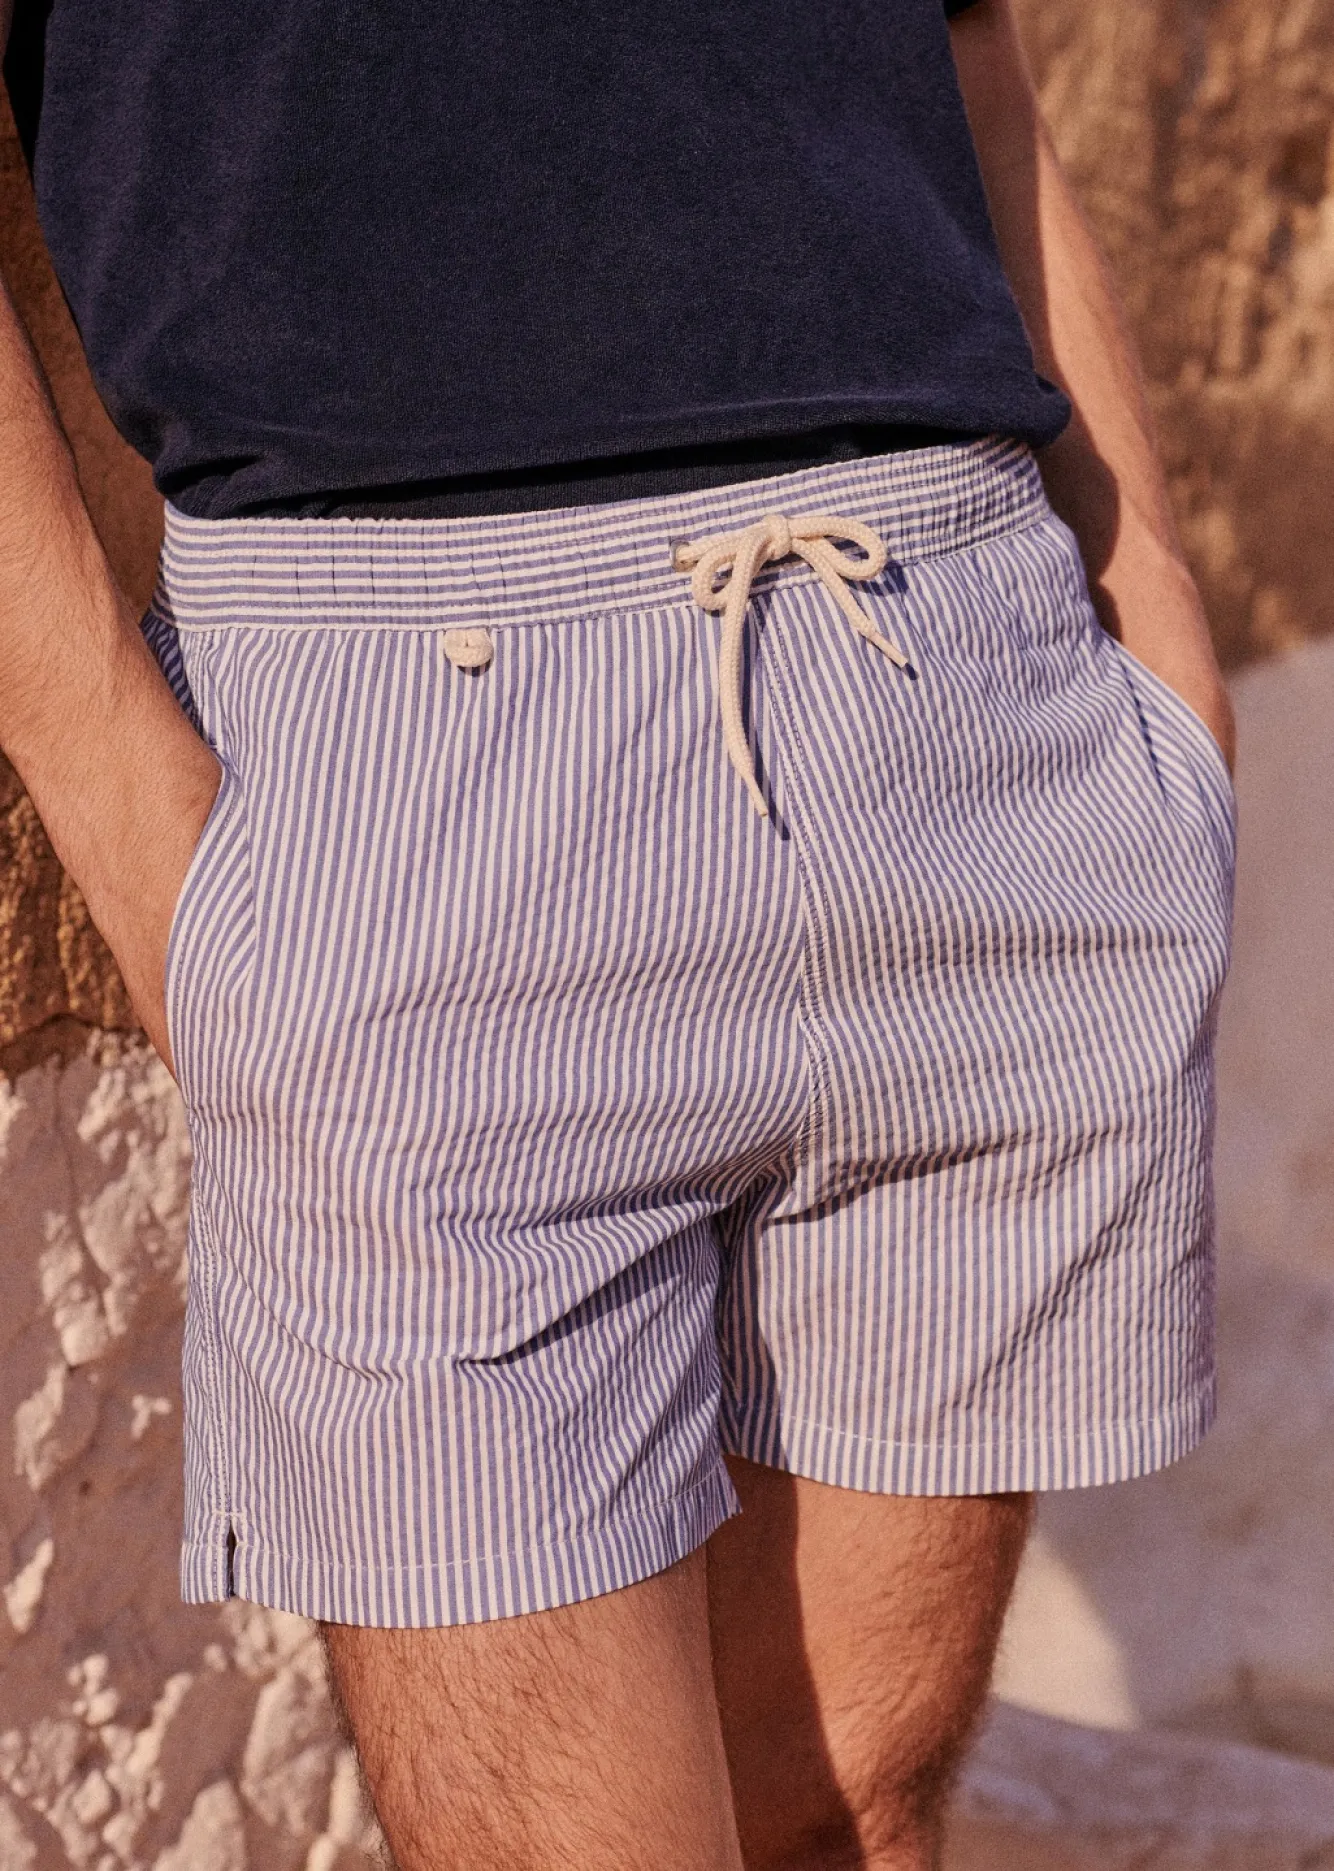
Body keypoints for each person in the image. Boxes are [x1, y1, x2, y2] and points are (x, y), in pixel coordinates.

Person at [0, 0, 1234, 1864]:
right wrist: (127, 804)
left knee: (853, 1805)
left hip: (959, 669)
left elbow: (965, 35)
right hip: (408, 770)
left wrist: (1156, 618)